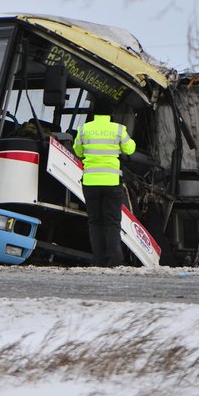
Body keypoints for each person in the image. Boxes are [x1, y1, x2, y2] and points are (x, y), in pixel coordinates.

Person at [72, 95, 136, 267]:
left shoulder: (84, 129)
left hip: (91, 182)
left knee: (94, 221)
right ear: (110, 112)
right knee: (112, 222)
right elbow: (130, 149)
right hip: (111, 182)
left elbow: (78, 151)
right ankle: (113, 260)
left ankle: (98, 260)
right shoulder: (118, 129)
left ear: (94, 112)